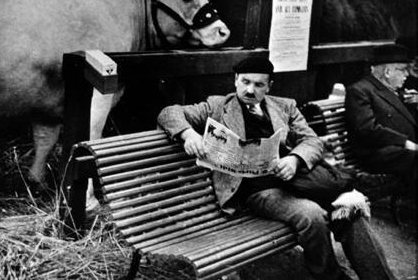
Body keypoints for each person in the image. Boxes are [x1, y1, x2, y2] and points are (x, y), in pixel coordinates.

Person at [158, 56, 398, 280]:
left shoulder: (285, 107)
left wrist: (294, 159)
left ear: (269, 86)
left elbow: (312, 141)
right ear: (235, 81)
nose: (250, 90)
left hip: (299, 180)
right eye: (245, 82)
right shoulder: (217, 106)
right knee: (312, 215)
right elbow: (169, 112)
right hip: (260, 192)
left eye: (259, 85)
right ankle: (329, 275)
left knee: (348, 212)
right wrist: (188, 134)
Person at [345, 42, 417, 193]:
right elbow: (367, 130)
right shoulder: (360, 91)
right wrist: (404, 142)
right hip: (378, 154)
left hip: (399, 151)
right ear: (388, 72)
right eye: (403, 70)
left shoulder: (392, 90)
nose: (406, 75)